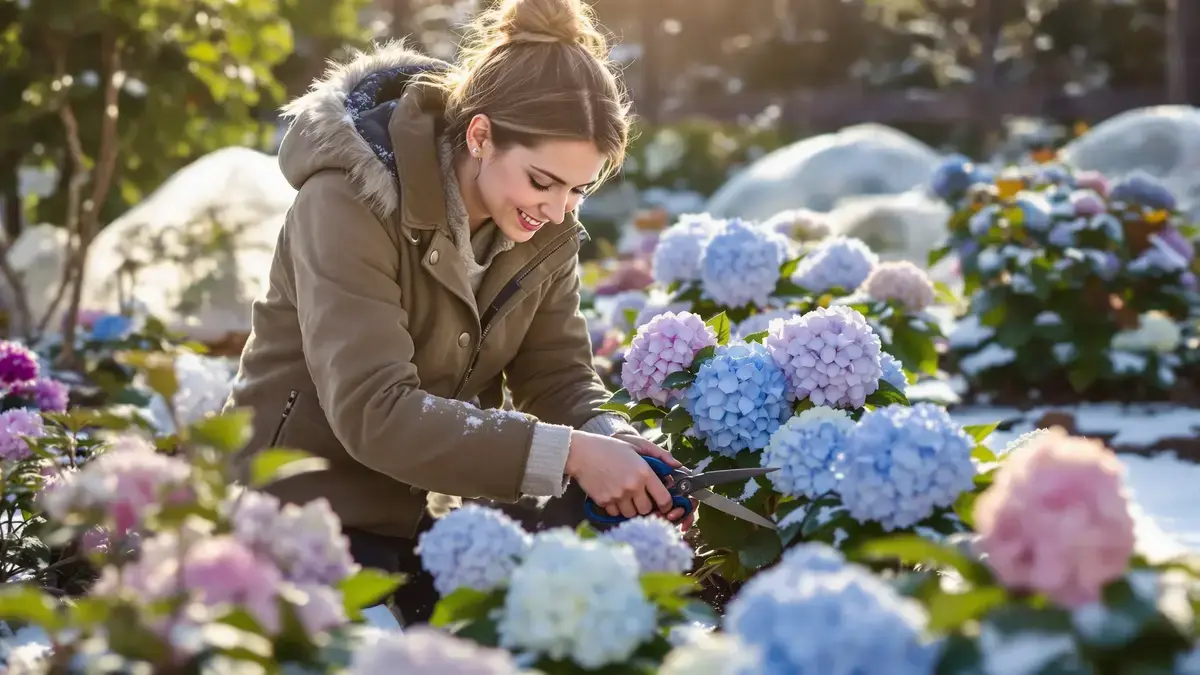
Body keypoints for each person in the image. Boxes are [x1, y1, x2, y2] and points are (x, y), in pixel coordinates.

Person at [225, 0, 688, 626]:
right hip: (303, 520)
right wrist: (571, 454)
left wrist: (613, 442)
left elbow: (556, 375)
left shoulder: (543, 231)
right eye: (543, 181)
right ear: (480, 135)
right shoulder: (346, 201)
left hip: (428, 521)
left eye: (580, 189)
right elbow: (374, 412)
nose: (558, 211)